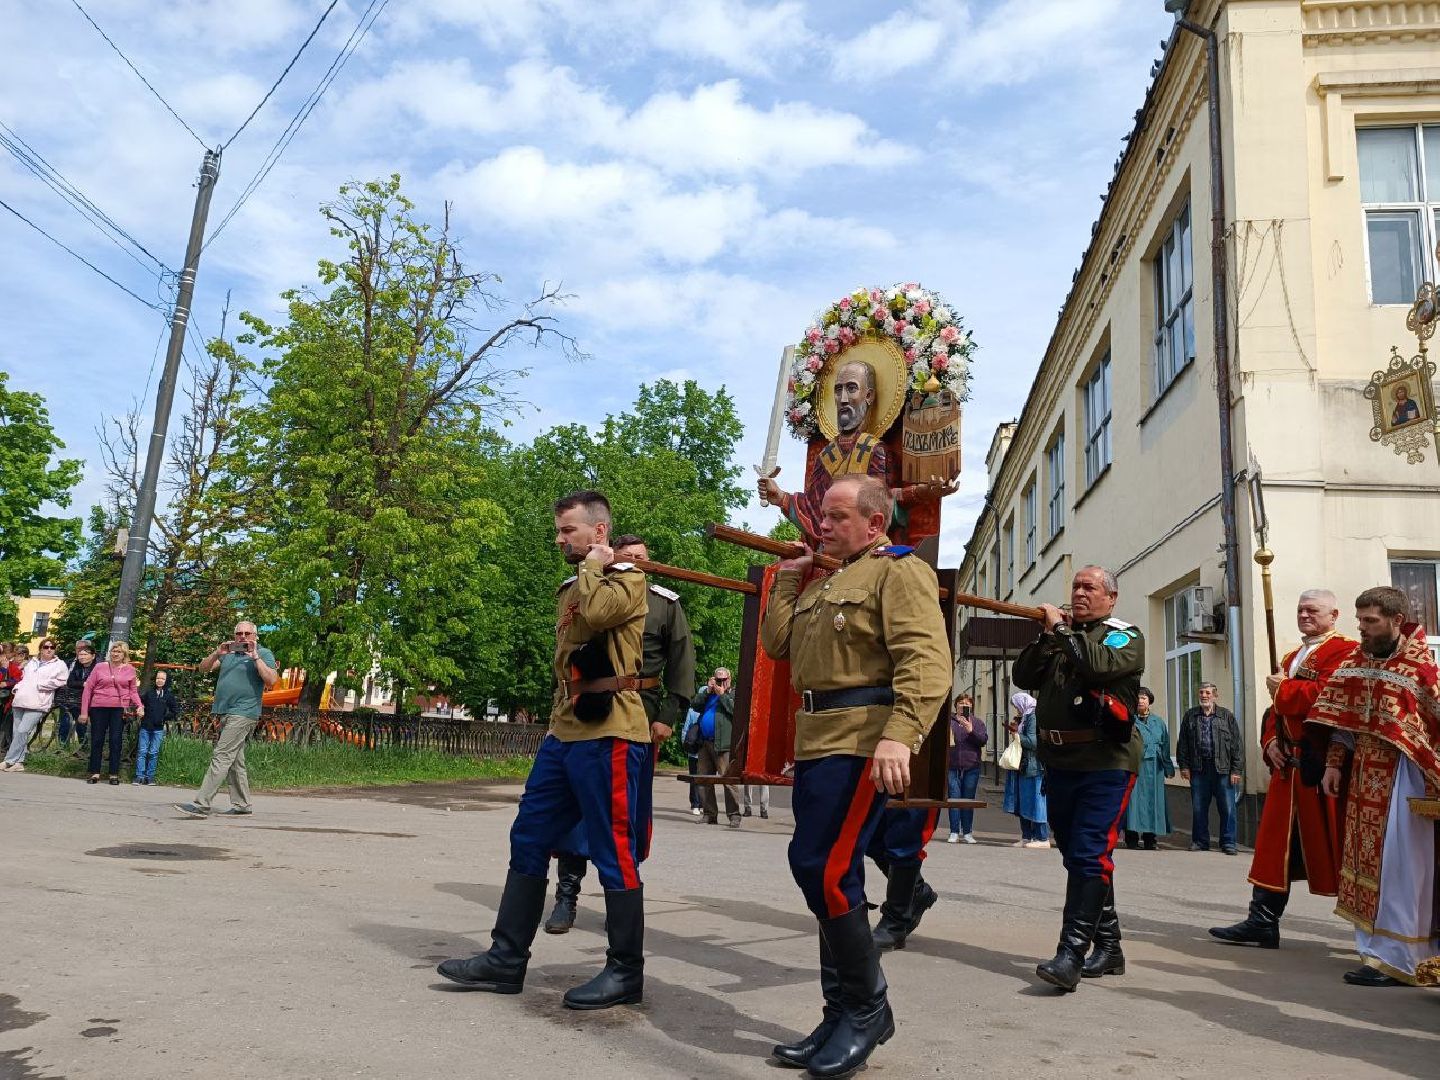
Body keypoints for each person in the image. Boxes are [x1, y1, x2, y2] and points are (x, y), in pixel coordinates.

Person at [760, 474, 950, 1077]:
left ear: (873, 523)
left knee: (824, 868)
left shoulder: (898, 570)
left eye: (837, 516)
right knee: (822, 871)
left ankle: (867, 1009)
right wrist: (789, 578)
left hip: (862, 740)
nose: (822, 524)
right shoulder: (827, 580)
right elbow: (777, 644)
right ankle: (840, 1010)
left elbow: (926, 660)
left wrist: (901, 734)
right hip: (817, 741)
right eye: (822, 514)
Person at [437, 490, 654, 1010]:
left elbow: (598, 616)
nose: (559, 539)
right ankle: (506, 958)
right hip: (565, 732)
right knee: (529, 835)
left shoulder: (628, 579)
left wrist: (595, 566)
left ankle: (626, 972)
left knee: (613, 850)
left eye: (568, 530)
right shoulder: (574, 584)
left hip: (611, 731)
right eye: (558, 530)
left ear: (598, 531)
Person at [543, 532, 696, 936]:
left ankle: (621, 896)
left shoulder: (664, 603)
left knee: (626, 812)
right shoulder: (588, 590)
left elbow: (682, 662)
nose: (633, 563)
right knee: (574, 808)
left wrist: (667, 716)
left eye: (640, 557)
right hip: (585, 708)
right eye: (626, 556)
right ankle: (566, 895)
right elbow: (566, 655)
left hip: (638, 715)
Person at [1013, 564, 1144, 992]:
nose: (1080, 593)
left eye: (1090, 587)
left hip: (1106, 760)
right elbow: (1023, 677)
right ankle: (1110, 945)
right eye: (1076, 586)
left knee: (1089, 853)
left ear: (1111, 597)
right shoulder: (1062, 638)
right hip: (1061, 761)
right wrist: (1046, 636)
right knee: (1078, 855)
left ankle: (1070, 954)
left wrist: (1062, 632)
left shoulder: (1122, 636)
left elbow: (1095, 667)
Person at [1309, 586, 1440, 987]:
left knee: (1403, 867)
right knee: (1366, 864)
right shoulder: (1354, 661)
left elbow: (1433, 729)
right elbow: (1342, 719)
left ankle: (1401, 958)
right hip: (1364, 777)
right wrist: (1334, 763)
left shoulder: (1420, 668)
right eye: (1359, 620)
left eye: (1371, 621)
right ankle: (1375, 951)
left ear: (1396, 620)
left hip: (1406, 779)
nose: (1362, 629)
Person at [1210, 590, 1354, 948]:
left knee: (1337, 848)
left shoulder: (1345, 651)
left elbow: (1328, 697)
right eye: (1301, 609)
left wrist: (1285, 688)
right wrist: (1270, 740)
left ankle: (1369, 935)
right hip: (1287, 770)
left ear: (1334, 614)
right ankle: (1262, 920)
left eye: (1313, 610)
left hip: (1322, 766)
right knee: (1273, 848)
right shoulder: (1291, 656)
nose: (1304, 615)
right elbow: (1275, 710)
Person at [173, 621, 278, 817]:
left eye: (247, 633)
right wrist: (216, 653)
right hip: (224, 711)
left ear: (255, 636)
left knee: (222, 755)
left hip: (244, 712)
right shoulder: (228, 653)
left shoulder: (264, 653)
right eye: (239, 633)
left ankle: (201, 804)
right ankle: (242, 805)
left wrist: (255, 657)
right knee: (235, 760)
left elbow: (271, 680)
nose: (243, 637)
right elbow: (203, 668)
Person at [1176, 683, 1244, 854]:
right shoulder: (1190, 716)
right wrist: (1184, 766)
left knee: (1227, 808)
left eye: (1208, 693)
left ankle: (1228, 842)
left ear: (1215, 695)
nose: (1204, 695)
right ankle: (1200, 841)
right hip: (1199, 769)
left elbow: (1237, 745)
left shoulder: (1226, 716)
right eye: (1201, 692)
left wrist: (1236, 770)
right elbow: (1182, 743)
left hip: (1223, 770)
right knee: (1199, 808)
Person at [0, 638, 69, 772]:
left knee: (23, 731)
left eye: (52, 647)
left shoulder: (59, 665)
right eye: (46, 647)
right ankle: (19, 763)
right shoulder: (32, 662)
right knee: (17, 732)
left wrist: (42, 685)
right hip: (21, 699)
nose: (49, 649)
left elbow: (62, 681)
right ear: (41, 649)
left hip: (38, 702)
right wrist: (17, 688)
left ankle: (9, 760)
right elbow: (23, 678)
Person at [79, 642, 143, 784]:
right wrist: (84, 712)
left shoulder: (130, 670)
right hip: (98, 706)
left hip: (119, 708)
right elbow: (88, 689)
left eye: (119, 652)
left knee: (115, 740)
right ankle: (94, 772)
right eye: (113, 651)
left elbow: (133, 691)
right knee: (97, 739)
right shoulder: (100, 667)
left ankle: (114, 774)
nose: (115, 654)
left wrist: (140, 705)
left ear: (124, 654)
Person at [1123, 687, 1174, 850]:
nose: (1140, 701)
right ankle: (1131, 838)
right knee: (1133, 802)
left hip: (1155, 767)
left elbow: (1165, 745)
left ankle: (1150, 839)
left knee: (1153, 801)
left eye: (1143, 698)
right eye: (1138, 698)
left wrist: (1168, 767)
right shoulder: (1128, 720)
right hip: (1134, 765)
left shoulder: (1158, 722)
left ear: (1149, 701)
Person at [691, 668, 740, 827]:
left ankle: (734, 815)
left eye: (723, 680)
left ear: (729, 680)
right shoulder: (708, 694)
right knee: (703, 779)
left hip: (723, 744)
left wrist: (722, 695)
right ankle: (709, 814)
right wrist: (707, 691)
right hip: (705, 743)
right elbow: (694, 705)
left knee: (728, 780)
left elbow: (736, 712)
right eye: (717, 679)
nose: (720, 683)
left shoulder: (733, 694)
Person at [1002, 692, 1049, 848]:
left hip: (1034, 766)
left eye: (1017, 706)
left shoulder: (1033, 716)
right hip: (1024, 765)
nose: (1017, 710)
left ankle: (1042, 838)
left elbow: (1033, 742)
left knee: (1036, 802)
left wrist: (1017, 735)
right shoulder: (1026, 716)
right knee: (1024, 802)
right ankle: (1027, 836)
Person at [946, 695, 987, 843]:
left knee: (968, 800)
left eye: (967, 703)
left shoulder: (977, 722)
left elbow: (983, 740)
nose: (964, 705)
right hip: (952, 766)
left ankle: (967, 832)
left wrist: (971, 730)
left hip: (971, 766)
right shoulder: (949, 721)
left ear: (971, 706)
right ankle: (954, 831)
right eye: (961, 703)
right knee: (954, 799)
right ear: (955, 705)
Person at [135, 669, 180, 785]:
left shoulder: (168, 695)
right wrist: (140, 709)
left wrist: (164, 717)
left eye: (162, 679)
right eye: (158, 678)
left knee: (153, 753)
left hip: (158, 729)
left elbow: (175, 711)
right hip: (145, 727)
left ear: (166, 680)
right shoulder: (149, 693)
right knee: (142, 752)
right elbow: (139, 702)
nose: (160, 680)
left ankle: (150, 777)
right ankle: (139, 776)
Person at [55, 640, 98, 750]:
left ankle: (84, 748)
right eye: (79, 651)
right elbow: (70, 682)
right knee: (65, 722)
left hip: (90, 700)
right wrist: (83, 684)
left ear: (92, 655)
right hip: (72, 698)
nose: (81, 655)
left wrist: (83, 684)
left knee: (82, 724)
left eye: (85, 652)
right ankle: (62, 747)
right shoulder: (76, 666)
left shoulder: (98, 666)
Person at [681, 706, 703, 815]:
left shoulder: (692, 710)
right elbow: (685, 729)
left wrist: (685, 745)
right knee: (700, 778)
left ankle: (697, 804)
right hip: (700, 750)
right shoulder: (708, 709)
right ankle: (697, 804)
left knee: (695, 778)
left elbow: (685, 729)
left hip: (695, 750)